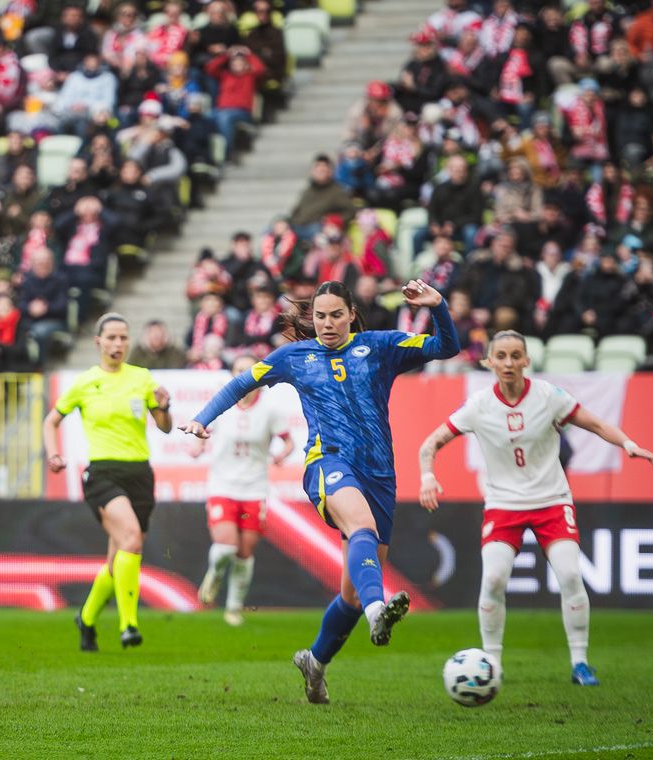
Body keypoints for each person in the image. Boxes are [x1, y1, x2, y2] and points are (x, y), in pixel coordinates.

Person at [181, 279, 460, 704]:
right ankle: (377, 610)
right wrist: (203, 418)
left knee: (351, 591)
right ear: (311, 320)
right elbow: (242, 384)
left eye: (335, 315)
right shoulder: (296, 356)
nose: (327, 323)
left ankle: (315, 663)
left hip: (380, 475)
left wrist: (438, 305)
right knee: (362, 532)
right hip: (326, 463)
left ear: (351, 314)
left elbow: (446, 347)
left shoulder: (380, 347)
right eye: (319, 316)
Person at [417, 330, 653, 687]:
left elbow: (593, 422)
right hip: (503, 505)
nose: (509, 363)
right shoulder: (479, 405)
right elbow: (431, 442)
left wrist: (627, 443)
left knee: (570, 576)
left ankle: (580, 663)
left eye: (516, 355)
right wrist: (427, 476)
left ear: (527, 361)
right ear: (489, 362)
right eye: (500, 356)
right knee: (494, 579)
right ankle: (492, 665)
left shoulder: (548, 396)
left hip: (551, 501)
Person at [42, 313, 173, 652]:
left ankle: (85, 619)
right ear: (97, 342)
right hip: (102, 473)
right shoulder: (86, 382)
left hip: (139, 474)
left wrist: (165, 407)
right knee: (131, 538)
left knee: (120, 556)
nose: (118, 344)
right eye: (111, 338)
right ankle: (129, 624)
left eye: (123, 338)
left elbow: (165, 427)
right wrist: (53, 454)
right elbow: (51, 421)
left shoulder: (142, 378)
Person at [191, 355, 293, 626]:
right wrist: (198, 446)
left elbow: (288, 442)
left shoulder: (271, 410)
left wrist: (282, 454)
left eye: (250, 371)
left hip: (254, 489)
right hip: (222, 486)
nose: (245, 376)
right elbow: (203, 429)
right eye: (239, 370)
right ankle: (213, 575)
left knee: (244, 552)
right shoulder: (223, 405)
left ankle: (233, 608)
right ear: (232, 375)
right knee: (225, 546)